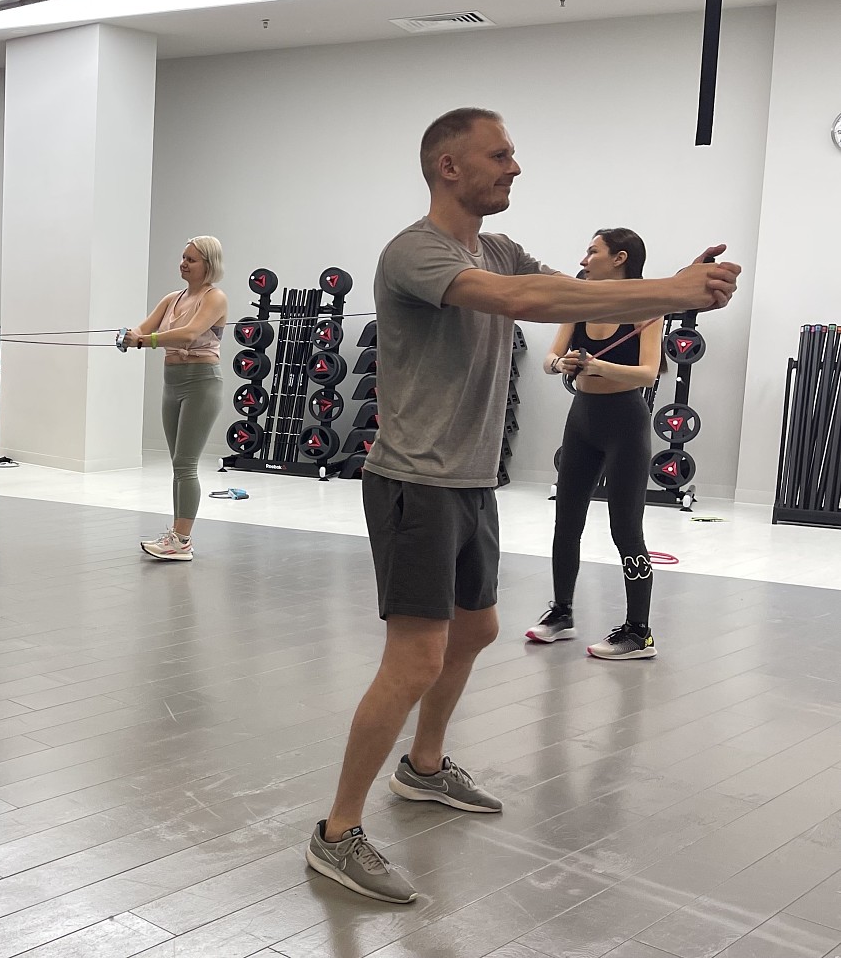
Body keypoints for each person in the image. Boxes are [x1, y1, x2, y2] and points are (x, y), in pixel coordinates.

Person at [305, 108, 740, 905]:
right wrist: (672, 291)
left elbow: (575, 292)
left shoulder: (496, 245)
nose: (514, 166)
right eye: (499, 154)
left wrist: (673, 290)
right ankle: (336, 833)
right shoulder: (416, 252)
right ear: (449, 166)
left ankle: (423, 768)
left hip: (471, 479)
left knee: (476, 629)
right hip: (416, 480)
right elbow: (525, 299)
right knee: (415, 658)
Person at [529, 229, 663, 660]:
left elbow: (648, 373)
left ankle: (639, 632)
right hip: (582, 421)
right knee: (566, 522)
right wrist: (562, 364)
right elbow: (549, 359)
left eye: (592, 251)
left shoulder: (645, 309)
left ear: (619, 258)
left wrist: (598, 366)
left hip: (625, 423)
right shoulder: (579, 303)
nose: (584, 259)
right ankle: (562, 612)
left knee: (626, 530)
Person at [122, 238, 229, 561]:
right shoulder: (172, 299)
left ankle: (182, 541)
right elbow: (142, 329)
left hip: (202, 383)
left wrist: (144, 341)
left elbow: (189, 333)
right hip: (173, 382)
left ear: (208, 264)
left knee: (185, 464)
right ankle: (177, 536)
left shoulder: (215, 298)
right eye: (183, 257)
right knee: (178, 465)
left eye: (191, 259)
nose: (183, 263)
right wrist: (129, 336)